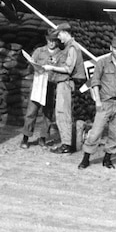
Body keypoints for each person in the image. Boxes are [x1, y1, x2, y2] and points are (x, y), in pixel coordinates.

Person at [78, 37, 116, 170]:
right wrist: (98, 101)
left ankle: (107, 159)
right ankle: (86, 159)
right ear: (111, 48)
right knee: (95, 132)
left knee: (115, 134)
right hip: (104, 103)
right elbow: (95, 82)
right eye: (115, 49)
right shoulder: (102, 63)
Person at [43, 23, 85, 153]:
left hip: (66, 83)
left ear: (66, 33)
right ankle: (66, 142)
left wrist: (52, 68)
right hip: (63, 83)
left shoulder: (72, 48)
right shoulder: (68, 47)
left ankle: (66, 145)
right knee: (61, 112)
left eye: (60, 34)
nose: (59, 38)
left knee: (63, 113)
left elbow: (68, 69)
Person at [20, 29, 60, 148]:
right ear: (46, 39)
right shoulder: (39, 51)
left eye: (54, 41)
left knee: (47, 113)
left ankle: (43, 137)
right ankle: (25, 138)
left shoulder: (60, 54)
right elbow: (31, 66)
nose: (51, 43)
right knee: (31, 111)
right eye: (49, 40)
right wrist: (35, 67)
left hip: (50, 85)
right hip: (38, 84)